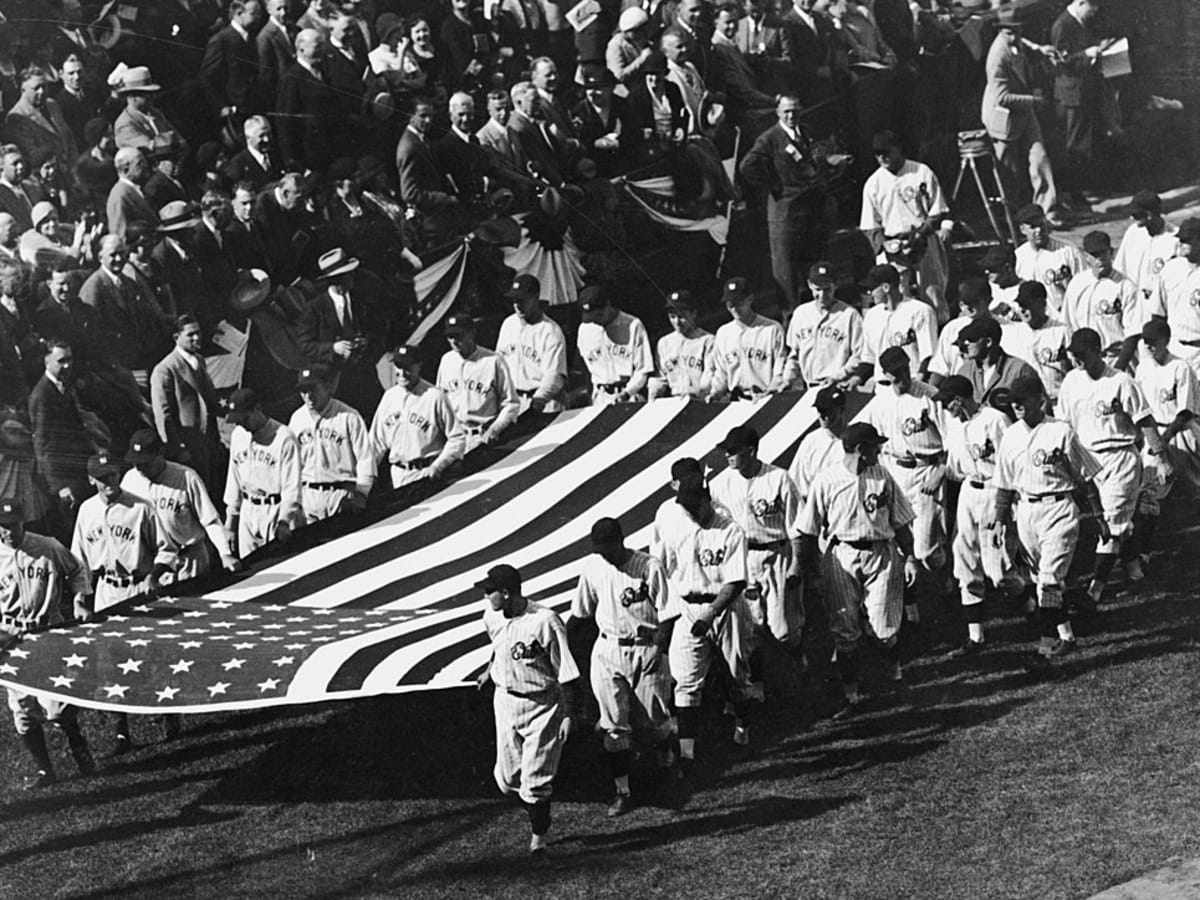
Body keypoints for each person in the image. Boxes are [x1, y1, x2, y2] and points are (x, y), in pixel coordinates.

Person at [798, 422, 916, 716]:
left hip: (880, 553)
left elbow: (900, 521)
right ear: (861, 450)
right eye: (875, 445)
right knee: (845, 631)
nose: (880, 449)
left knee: (883, 629)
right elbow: (807, 530)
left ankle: (896, 676)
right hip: (842, 554)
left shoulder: (882, 474)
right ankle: (851, 698)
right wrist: (810, 571)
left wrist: (911, 557)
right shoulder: (826, 480)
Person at [989, 376, 1103, 664]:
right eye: (1013, 402)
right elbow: (1003, 484)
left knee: (1049, 581)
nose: (1017, 405)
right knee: (1043, 580)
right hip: (1026, 511)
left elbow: (1086, 476)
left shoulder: (1061, 431)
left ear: (1039, 400)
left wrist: (1100, 517)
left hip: (1059, 508)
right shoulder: (1011, 435)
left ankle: (1044, 651)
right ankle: (1066, 637)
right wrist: (1000, 520)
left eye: (1023, 400)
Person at [568, 517, 674, 817]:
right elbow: (581, 612)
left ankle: (667, 745)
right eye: (599, 550)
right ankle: (623, 791)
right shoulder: (592, 566)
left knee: (652, 721)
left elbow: (668, 613)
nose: (605, 555)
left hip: (645, 646)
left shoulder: (648, 566)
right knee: (613, 726)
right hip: (608, 648)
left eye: (608, 549)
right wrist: (560, 640)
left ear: (621, 541)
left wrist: (659, 647)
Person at [1057, 328, 1169, 605]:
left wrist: (1162, 457)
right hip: (1086, 458)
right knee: (1112, 521)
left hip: (1120, 456)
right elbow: (1064, 424)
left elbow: (1145, 421)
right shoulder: (1072, 381)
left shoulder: (1121, 381)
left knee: (1112, 523)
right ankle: (1135, 573)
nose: (1077, 360)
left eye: (1082, 355)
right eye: (1074, 355)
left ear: (1097, 351)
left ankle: (1093, 592)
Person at [475, 562, 580, 855]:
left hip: (541, 706)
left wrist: (569, 714)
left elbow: (567, 671)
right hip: (505, 701)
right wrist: (489, 670)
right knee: (507, 781)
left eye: (489, 591)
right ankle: (538, 811)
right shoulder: (491, 617)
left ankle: (539, 839)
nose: (485, 597)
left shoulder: (545, 621)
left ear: (506, 593)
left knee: (534, 783)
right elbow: (499, 647)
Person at [655, 477, 759, 770]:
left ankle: (743, 731)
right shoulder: (678, 527)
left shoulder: (730, 530)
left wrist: (711, 613)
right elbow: (663, 567)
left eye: (694, 505)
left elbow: (736, 580)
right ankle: (687, 756)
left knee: (737, 675)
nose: (690, 511)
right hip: (688, 607)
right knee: (685, 683)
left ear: (706, 499)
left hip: (725, 607)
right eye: (685, 506)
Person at [0, 497, 95, 789]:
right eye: (3, 527)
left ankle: (77, 743)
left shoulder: (47, 545)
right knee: (23, 709)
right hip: (10, 637)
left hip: (47, 632)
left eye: (14, 525)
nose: (9, 532)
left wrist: (80, 598)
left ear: (23, 522)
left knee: (56, 705)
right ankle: (45, 771)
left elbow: (77, 570)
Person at [708, 424, 806, 690]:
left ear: (750, 451)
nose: (727, 455)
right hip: (743, 557)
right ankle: (758, 686)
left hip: (777, 552)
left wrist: (797, 562)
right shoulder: (720, 485)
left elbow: (796, 525)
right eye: (725, 451)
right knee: (751, 628)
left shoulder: (779, 478)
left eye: (733, 451)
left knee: (784, 629)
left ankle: (799, 657)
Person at [858, 346, 946, 627]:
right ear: (886, 374)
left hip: (927, 470)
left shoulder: (929, 396)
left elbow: (953, 439)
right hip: (895, 471)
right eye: (895, 373)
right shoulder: (880, 403)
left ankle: (946, 569)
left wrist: (941, 471)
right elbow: (864, 435)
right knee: (898, 545)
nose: (902, 377)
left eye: (905, 370)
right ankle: (912, 610)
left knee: (924, 550)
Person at [935, 375, 1018, 656]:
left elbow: (1013, 460)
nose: (945, 409)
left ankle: (1031, 601)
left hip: (995, 490)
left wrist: (1007, 503)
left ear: (958, 399)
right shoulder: (955, 426)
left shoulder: (995, 420)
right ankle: (976, 637)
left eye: (947, 403)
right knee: (964, 560)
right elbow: (955, 466)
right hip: (969, 491)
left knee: (999, 572)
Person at [739, 93, 839, 312]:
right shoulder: (770, 138)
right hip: (785, 213)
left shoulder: (806, 132)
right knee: (786, 272)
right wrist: (774, 186)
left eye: (795, 111)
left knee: (811, 263)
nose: (791, 115)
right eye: (786, 111)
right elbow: (748, 166)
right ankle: (790, 318)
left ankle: (814, 311)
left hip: (809, 210)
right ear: (778, 113)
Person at [120, 427, 240, 583]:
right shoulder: (130, 480)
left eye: (145, 462)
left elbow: (210, 520)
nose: (140, 468)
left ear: (161, 453)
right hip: (155, 567)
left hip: (189, 562)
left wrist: (225, 554)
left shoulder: (186, 477)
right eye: (136, 463)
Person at [859, 131, 953, 318]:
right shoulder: (873, 183)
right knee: (896, 298)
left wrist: (920, 234)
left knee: (933, 294)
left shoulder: (920, 172)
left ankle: (938, 333)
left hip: (923, 239)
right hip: (893, 244)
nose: (882, 157)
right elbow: (870, 224)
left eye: (886, 151)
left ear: (898, 148)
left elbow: (937, 211)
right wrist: (883, 243)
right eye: (878, 154)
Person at [71, 451, 172, 614]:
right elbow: (79, 561)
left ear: (119, 473)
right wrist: (79, 601)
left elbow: (166, 549)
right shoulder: (86, 510)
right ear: (91, 479)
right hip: (106, 592)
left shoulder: (141, 508)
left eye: (112, 474)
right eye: (102, 478)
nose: (109, 481)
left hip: (140, 589)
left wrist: (153, 576)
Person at [980, 8, 1058, 218]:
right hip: (1002, 118)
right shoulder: (997, 57)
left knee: (1040, 158)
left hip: (1024, 111)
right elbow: (1002, 97)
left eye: (1017, 31)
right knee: (1009, 174)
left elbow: (1026, 44)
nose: (1015, 36)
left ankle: (1045, 212)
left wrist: (1041, 49)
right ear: (1000, 31)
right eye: (1009, 32)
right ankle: (1014, 219)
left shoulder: (1018, 42)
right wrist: (1034, 101)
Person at [297, 248, 384, 417]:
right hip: (334, 383)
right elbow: (304, 345)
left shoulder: (361, 301)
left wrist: (366, 341)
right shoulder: (314, 308)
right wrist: (333, 348)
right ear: (336, 280)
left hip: (365, 378)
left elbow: (378, 331)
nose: (352, 278)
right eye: (348, 275)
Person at [222, 388, 304, 558]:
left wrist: (284, 520)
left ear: (257, 409)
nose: (241, 424)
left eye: (244, 418)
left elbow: (292, 486)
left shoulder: (284, 437)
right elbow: (234, 479)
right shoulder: (238, 435)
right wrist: (230, 523)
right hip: (248, 510)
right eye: (237, 420)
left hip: (275, 509)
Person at [289, 365, 375, 524]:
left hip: (341, 494)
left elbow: (365, 459)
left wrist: (361, 493)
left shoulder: (349, 416)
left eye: (313, 389)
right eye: (303, 391)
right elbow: (292, 464)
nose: (308, 396)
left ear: (327, 386)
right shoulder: (297, 419)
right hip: (308, 495)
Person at [371, 345, 464, 488]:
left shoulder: (435, 396)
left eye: (407, 367)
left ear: (418, 366)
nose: (401, 373)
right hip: (399, 476)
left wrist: (439, 465)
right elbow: (376, 444)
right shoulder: (389, 397)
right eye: (398, 366)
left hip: (428, 474)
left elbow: (457, 438)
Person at [29, 340, 93, 537]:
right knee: (73, 532)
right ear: (47, 362)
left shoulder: (63, 387)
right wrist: (59, 486)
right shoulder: (43, 395)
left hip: (78, 470)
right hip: (63, 478)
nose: (67, 365)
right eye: (61, 361)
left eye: (70, 360)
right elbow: (42, 445)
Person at [150, 315, 220, 489]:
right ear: (176, 338)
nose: (197, 338)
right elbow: (164, 416)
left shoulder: (199, 360)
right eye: (190, 334)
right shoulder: (165, 369)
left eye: (198, 332)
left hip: (209, 441)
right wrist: (178, 449)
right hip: (188, 448)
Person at [1050, 0, 1108, 206]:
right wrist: (1087, 54)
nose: (1094, 12)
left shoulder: (1080, 22)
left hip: (1082, 92)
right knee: (1074, 144)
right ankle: (1073, 193)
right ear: (1081, 2)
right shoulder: (1063, 25)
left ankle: (1080, 189)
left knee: (1082, 141)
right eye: (1092, 8)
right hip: (1071, 95)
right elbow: (1061, 61)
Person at [436, 314, 519, 453]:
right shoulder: (446, 361)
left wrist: (495, 429)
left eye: (459, 335)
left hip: (484, 437)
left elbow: (511, 403)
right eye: (450, 336)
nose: (454, 341)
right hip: (457, 440)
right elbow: (439, 404)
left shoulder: (493, 361)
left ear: (472, 333)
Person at [1061, 230, 1139, 366]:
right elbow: (1068, 324)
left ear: (1112, 252)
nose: (1099, 259)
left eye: (1103, 253)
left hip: (1115, 358)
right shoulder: (1077, 284)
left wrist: (1120, 367)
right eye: (1094, 255)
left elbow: (1133, 334)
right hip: (1085, 360)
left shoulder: (1126, 286)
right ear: (1086, 257)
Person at [784, 261, 865, 390]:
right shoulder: (801, 314)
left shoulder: (849, 315)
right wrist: (787, 379)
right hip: (809, 387)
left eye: (827, 289)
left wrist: (838, 376)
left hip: (838, 387)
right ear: (809, 285)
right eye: (817, 289)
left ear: (835, 286)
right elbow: (793, 355)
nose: (822, 295)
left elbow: (860, 355)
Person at [708, 277, 788, 401]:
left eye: (739, 302)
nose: (734, 308)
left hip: (765, 397)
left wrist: (771, 391)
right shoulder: (723, 333)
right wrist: (715, 393)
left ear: (750, 299)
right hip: (736, 401)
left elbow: (780, 370)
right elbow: (721, 373)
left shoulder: (772, 329)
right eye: (730, 304)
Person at [496, 275, 567, 414]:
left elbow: (555, 376)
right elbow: (499, 365)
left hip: (544, 403)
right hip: (513, 402)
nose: (517, 305)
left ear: (535, 297)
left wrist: (538, 402)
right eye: (514, 300)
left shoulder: (550, 331)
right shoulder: (508, 325)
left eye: (522, 300)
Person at [577, 285, 655, 406]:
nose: (595, 320)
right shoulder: (585, 329)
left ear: (608, 305)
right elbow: (586, 370)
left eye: (598, 315)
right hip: (600, 397)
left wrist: (627, 393)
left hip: (629, 395)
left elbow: (643, 370)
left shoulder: (633, 325)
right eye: (590, 317)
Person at [276, 29, 340, 174]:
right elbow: (286, 122)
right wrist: (293, 162)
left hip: (328, 148)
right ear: (302, 49)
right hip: (309, 155)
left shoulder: (323, 71)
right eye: (317, 46)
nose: (322, 51)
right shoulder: (292, 78)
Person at [861, 263, 937, 382]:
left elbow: (928, 355)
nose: (870, 294)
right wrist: (854, 378)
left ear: (886, 287)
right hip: (882, 388)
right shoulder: (871, 315)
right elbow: (868, 358)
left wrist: (919, 382)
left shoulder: (920, 311)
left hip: (911, 385)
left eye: (872, 289)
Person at [1001, 281, 1072, 407]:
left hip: (1059, 402)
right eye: (1020, 305)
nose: (1022, 310)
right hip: (1030, 406)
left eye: (1027, 305)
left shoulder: (1062, 330)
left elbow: (1075, 369)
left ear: (1042, 304)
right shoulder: (1012, 334)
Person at [1013, 204, 1087, 316]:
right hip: (1033, 322)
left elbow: (1085, 284)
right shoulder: (1019, 256)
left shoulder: (1067, 250)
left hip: (1065, 317)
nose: (1039, 230)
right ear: (1022, 229)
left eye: (1041, 224)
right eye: (1033, 227)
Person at [1113, 190, 1180, 311]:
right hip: (1135, 305)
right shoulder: (1133, 233)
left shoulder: (1174, 238)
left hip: (1164, 307)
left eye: (1136, 214)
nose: (1131, 218)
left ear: (1149, 214)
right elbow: (1119, 269)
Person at [3, 66, 77, 174]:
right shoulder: (17, 117)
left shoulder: (52, 104)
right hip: (47, 176)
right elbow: (32, 156)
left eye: (44, 86)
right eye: (36, 88)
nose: (41, 91)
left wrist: (75, 167)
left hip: (71, 171)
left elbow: (69, 137)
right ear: (23, 90)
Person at [955, 315, 1039, 408]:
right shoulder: (964, 372)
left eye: (972, 339)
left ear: (988, 342)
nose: (967, 344)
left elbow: (1039, 410)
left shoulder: (1019, 370)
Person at [201, 0, 264, 123]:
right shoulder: (221, 40)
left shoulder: (251, 37)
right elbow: (206, 78)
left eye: (259, 14)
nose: (258, 18)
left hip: (252, 106)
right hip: (234, 111)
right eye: (254, 14)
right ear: (239, 13)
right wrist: (221, 106)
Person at [1151, 218, 1200, 376]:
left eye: (1187, 240)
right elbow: (1158, 314)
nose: (1181, 243)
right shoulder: (1170, 270)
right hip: (1174, 348)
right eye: (1180, 239)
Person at [788, 384, 848, 509]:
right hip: (814, 508)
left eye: (828, 410)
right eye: (820, 410)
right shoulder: (811, 441)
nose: (822, 415)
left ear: (841, 410)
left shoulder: (854, 438)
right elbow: (795, 482)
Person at [927, 277, 993, 389]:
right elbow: (940, 369)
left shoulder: (1007, 328)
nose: (968, 307)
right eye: (964, 302)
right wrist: (929, 394)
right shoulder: (952, 328)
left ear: (989, 300)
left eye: (974, 302)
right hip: (959, 393)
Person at [651, 290, 714, 400]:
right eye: (672, 317)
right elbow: (661, 377)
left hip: (701, 401)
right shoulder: (664, 343)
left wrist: (698, 394)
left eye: (682, 316)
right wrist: (654, 392)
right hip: (675, 400)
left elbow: (709, 376)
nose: (677, 322)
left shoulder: (708, 341)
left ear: (694, 313)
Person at [113, 67, 183, 153]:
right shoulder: (125, 124)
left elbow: (179, 139)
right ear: (133, 97)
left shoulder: (156, 113)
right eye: (147, 94)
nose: (153, 97)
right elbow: (152, 147)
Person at [106, 147, 159, 238]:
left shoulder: (136, 188)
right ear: (126, 169)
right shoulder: (120, 195)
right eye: (139, 163)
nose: (145, 166)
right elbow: (119, 235)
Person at [222, 116, 281, 191]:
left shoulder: (276, 156)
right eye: (261, 136)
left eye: (269, 134)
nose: (267, 139)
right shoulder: (238, 165)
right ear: (248, 138)